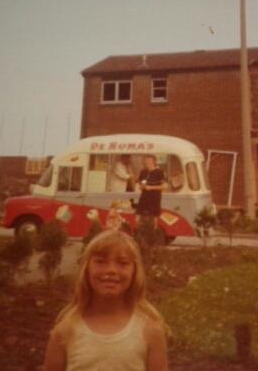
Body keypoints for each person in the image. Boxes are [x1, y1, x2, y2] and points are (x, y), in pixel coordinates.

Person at [42, 230, 169, 371]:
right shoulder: (65, 331)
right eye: (101, 262)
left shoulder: (150, 330)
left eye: (123, 263)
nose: (111, 270)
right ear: (86, 269)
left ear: (135, 271)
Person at [136, 155, 167, 227]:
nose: (147, 162)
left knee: (154, 220)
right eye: (146, 161)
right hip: (144, 198)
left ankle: (154, 232)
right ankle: (140, 233)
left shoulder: (159, 172)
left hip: (154, 198)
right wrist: (142, 186)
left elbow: (165, 187)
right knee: (138, 218)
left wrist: (151, 187)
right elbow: (139, 184)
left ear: (154, 162)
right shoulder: (143, 171)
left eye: (149, 161)